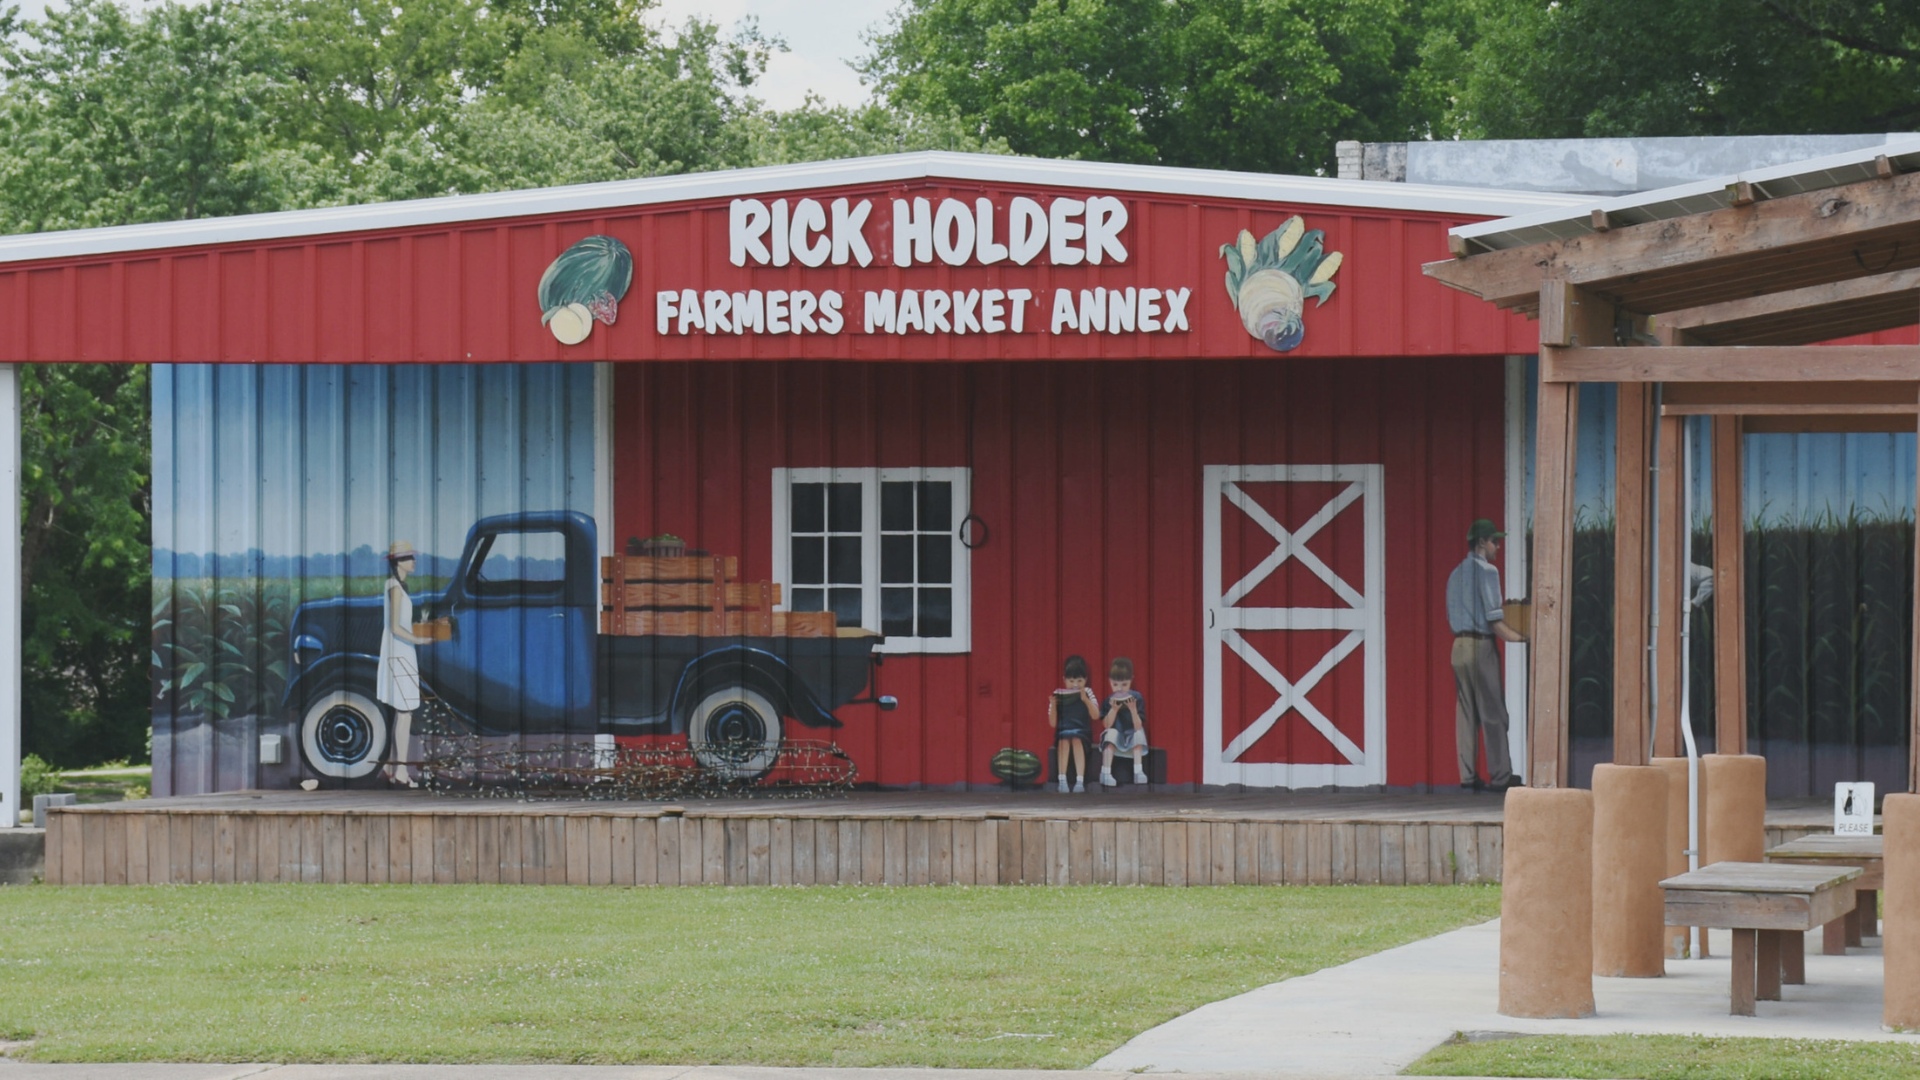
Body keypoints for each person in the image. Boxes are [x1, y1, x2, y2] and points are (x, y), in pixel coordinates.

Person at [1446, 519, 1526, 793]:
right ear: (1482, 542)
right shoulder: (1488, 572)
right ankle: (1501, 776)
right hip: (1481, 645)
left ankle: (1467, 777)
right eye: (1495, 540)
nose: (1498, 546)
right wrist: (1522, 637)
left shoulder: (1455, 574)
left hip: (1458, 647)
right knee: (1493, 712)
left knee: (1466, 713)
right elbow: (1495, 621)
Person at [378, 540, 437, 786]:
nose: (414, 561)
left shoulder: (397, 585)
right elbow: (394, 626)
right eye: (410, 557)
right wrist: (419, 640)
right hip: (400, 652)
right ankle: (401, 772)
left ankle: (392, 768)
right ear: (399, 562)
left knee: (401, 713)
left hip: (401, 650)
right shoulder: (394, 587)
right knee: (404, 713)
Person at [1049, 655, 1100, 793]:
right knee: (1064, 740)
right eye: (1071, 681)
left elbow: (1096, 715)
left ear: (1086, 680)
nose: (1075, 684)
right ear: (1064, 680)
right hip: (1063, 730)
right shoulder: (1058, 693)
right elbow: (1053, 723)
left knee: (1077, 740)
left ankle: (1079, 780)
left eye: (1079, 681)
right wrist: (1053, 705)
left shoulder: (1088, 692)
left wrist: (1085, 700)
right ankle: (1062, 780)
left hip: (1082, 731)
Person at [1100, 656, 1149, 786]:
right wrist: (1114, 710)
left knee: (1139, 732)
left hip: (1131, 739)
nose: (1120, 689)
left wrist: (1133, 709)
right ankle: (1105, 772)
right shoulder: (1109, 700)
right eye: (1115, 685)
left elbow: (1138, 726)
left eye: (1124, 684)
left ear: (1131, 681)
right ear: (1110, 682)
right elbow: (1106, 725)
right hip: (1116, 741)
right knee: (1111, 733)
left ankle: (1138, 772)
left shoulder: (1137, 698)